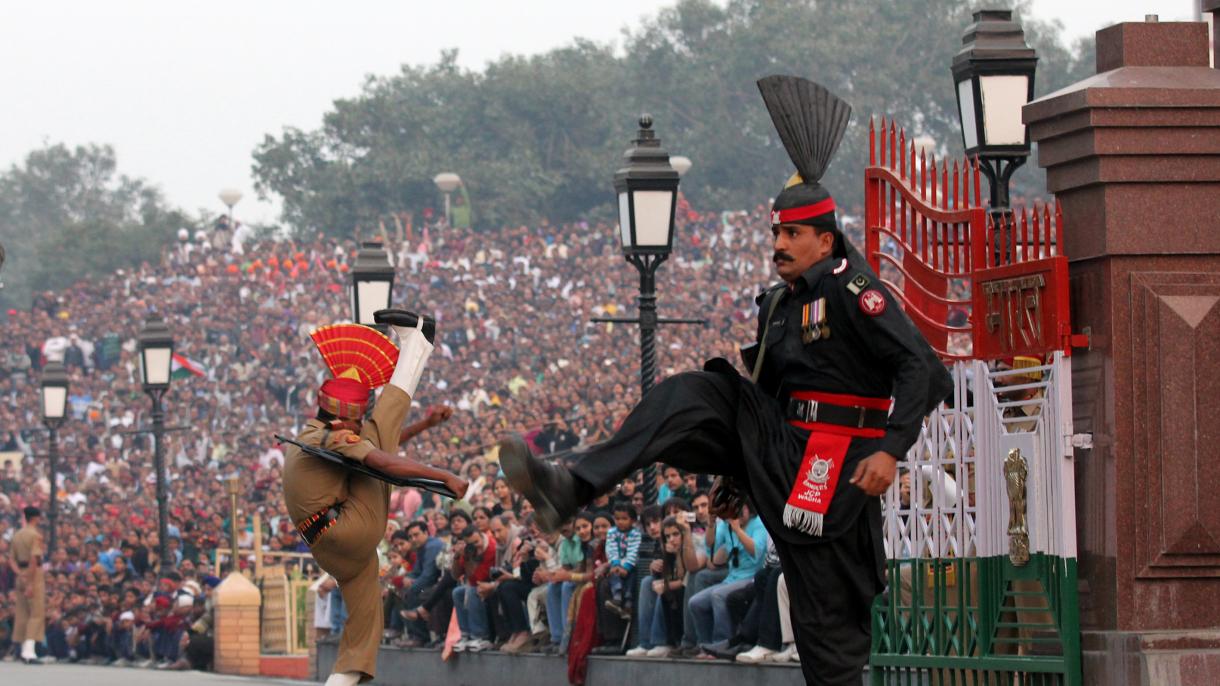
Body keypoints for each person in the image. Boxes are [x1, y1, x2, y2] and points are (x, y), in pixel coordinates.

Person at [500, 75, 952, 685]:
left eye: (792, 234)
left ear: (826, 238)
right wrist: (737, 476)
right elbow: (764, 394)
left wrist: (892, 448)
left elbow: (922, 369)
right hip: (780, 443)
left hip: (840, 458)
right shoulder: (777, 303)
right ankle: (573, 485)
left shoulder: (855, 290)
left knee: (828, 621)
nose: (778, 245)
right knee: (693, 392)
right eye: (774, 233)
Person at [282, 310, 468, 686]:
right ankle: (417, 344)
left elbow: (377, 445)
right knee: (379, 439)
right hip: (349, 528)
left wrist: (426, 425)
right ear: (340, 419)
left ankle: (342, 680)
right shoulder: (335, 436)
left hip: (327, 543)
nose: (358, 427)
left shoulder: (310, 432)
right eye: (356, 421)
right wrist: (442, 475)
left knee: (366, 620)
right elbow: (380, 456)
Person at [12, 506, 46, 664]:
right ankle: (29, 651)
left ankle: (21, 648)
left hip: (20, 572)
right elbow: (35, 559)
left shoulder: (17, 535)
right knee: (36, 613)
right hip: (33, 575)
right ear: (36, 518)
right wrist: (30, 582)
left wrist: (20, 574)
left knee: (22, 612)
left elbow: (11, 559)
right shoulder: (36, 535)